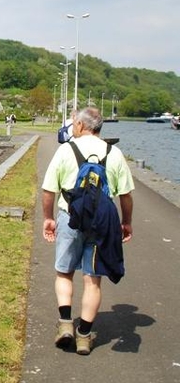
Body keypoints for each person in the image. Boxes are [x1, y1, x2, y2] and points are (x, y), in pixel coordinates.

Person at [41, 107, 134, 355]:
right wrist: (126, 223)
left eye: (74, 123)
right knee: (93, 281)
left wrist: (48, 219)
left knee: (64, 272)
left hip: (70, 218)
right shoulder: (114, 153)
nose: (73, 126)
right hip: (102, 224)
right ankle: (84, 336)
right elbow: (125, 196)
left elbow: (48, 190)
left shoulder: (65, 150)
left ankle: (65, 325)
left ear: (81, 126)